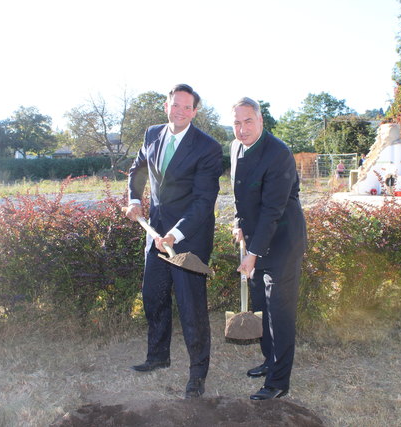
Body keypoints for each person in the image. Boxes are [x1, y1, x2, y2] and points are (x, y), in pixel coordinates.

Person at [125, 84, 223, 399]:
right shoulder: (152, 133)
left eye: (186, 107)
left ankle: (197, 375)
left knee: (190, 305)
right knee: (153, 295)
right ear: (166, 105)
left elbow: (203, 201)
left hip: (188, 236)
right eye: (174, 105)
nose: (179, 111)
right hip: (155, 230)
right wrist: (134, 198)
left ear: (194, 112)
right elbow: (138, 169)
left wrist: (175, 235)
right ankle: (158, 356)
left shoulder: (207, 148)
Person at [230, 97, 307, 400]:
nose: (243, 128)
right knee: (262, 306)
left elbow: (273, 210)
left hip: (283, 244)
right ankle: (269, 360)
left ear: (261, 120)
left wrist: (252, 253)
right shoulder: (237, 148)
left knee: (279, 313)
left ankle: (278, 382)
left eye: (248, 121)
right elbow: (239, 194)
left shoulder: (278, 153)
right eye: (237, 122)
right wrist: (238, 222)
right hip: (256, 240)